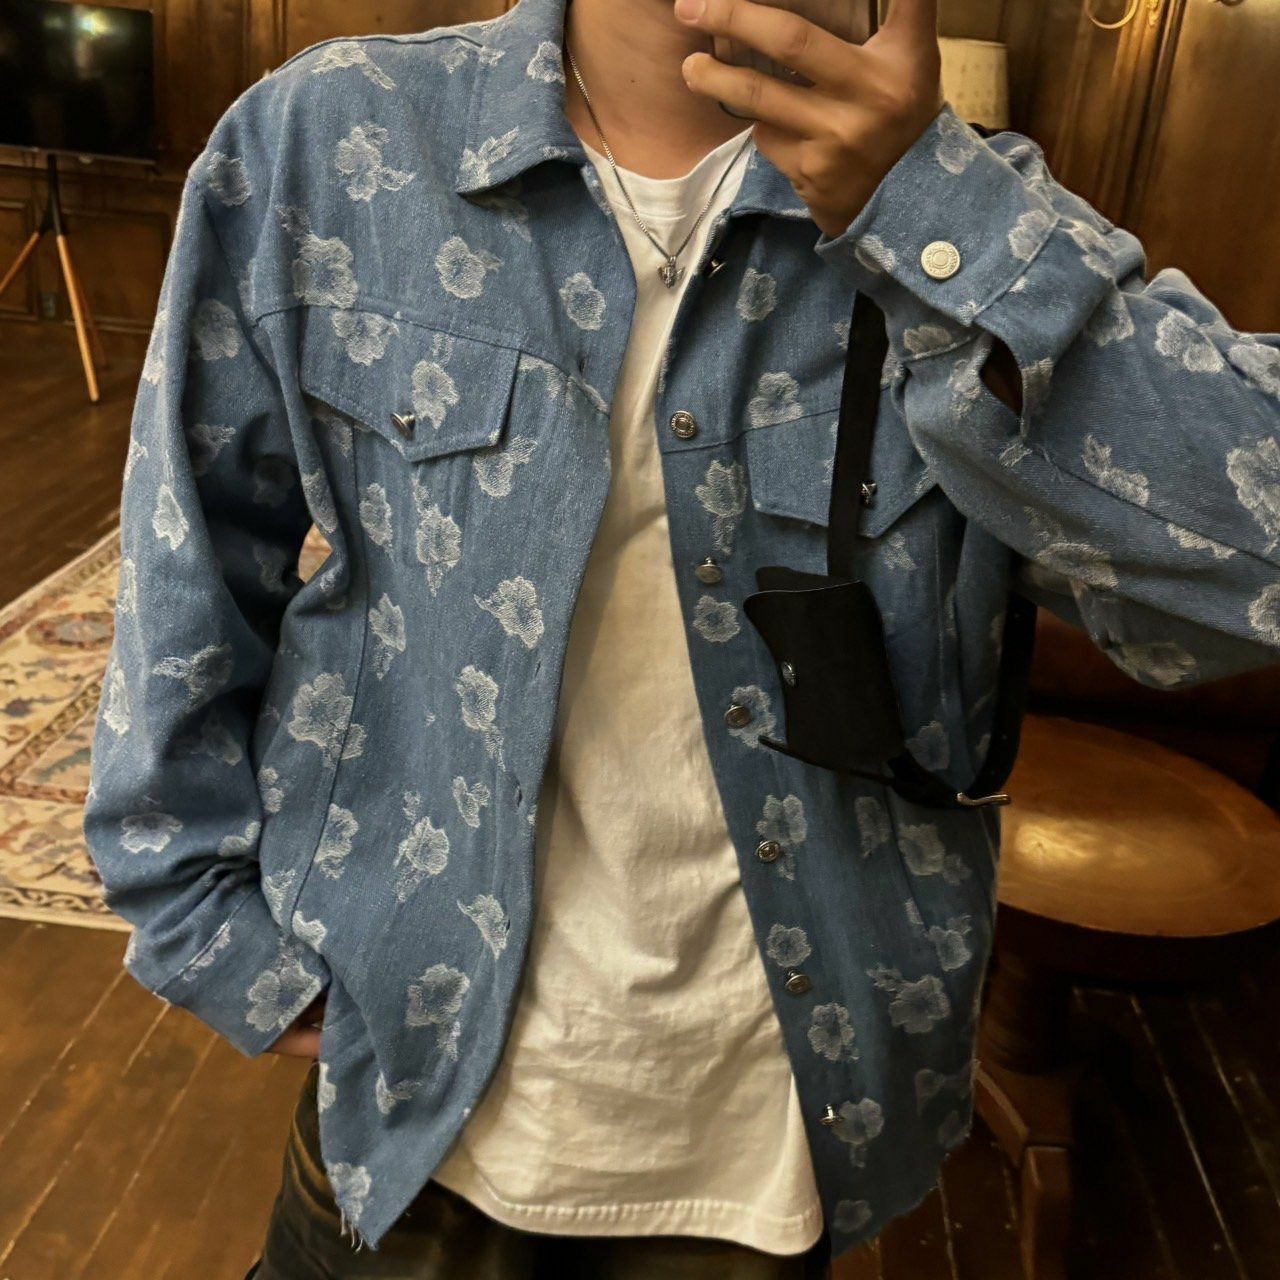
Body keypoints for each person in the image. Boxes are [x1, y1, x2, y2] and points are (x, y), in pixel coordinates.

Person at [82, 0, 1280, 1275]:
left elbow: (1249, 567)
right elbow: (189, 546)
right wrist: (206, 915)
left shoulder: (980, 214)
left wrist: (932, 214)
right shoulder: (331, 142)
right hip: (408, 1086)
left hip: (770, 1124)